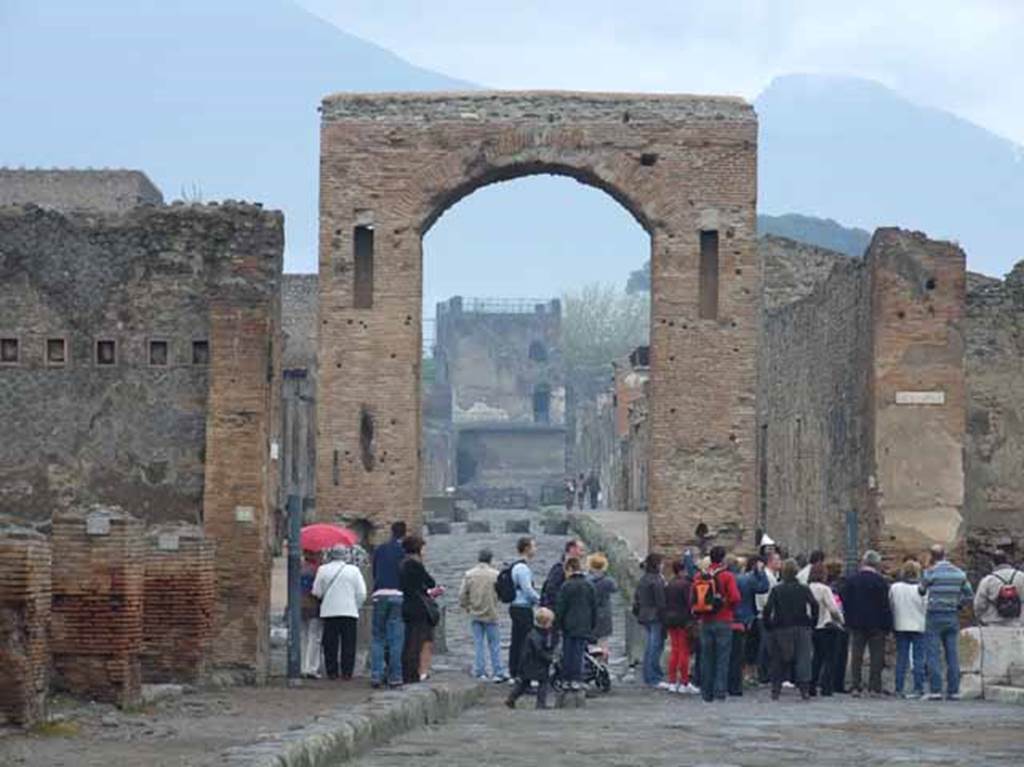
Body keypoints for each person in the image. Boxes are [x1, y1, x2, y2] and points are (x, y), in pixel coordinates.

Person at [919, 544, 973, 700]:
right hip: (951, 615)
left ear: (932, 556)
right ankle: (954, 690)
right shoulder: (959, 574)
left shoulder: (931, 572)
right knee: (952, 654)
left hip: (934, 615)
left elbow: (921, 590)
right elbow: (969, 595)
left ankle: (936, 690)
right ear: (945, 555)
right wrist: (958, 604)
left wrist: (927, 571)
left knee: (933, 654)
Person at [763, 558, 818, 700]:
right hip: (801, 625)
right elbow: (814, 604)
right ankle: (804, 689)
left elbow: (768, 608)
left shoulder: (777, 589)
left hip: (781, 626)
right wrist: (812, 622)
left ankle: (776, 689)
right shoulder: (803, 589)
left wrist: (768, 624)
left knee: (778, 659)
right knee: (803, 658)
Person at [312, 545, 368, 681]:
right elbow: (362, 592)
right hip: (349, 611)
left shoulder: (323, 570)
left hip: (329, 611)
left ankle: (332, 672)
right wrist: (356, 606)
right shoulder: (353, 570)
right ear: (346, 555)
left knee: (330, 643)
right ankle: (347, 672)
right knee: (348, 643)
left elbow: (316, 591)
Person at [840, 550, 892, 697]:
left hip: (857, 622)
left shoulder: (852, 580)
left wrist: (848, 619)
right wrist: (888, 624)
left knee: (857, 655)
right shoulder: (881, 582)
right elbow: (885, 605)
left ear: (863, 562)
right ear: (877, 564)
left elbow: (845, 601)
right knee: (877, 656)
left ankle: (855, 685)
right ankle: (874, 687)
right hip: (877, 623)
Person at [694, 545, 741, 702]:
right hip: (724, 619)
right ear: (722, 558)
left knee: (706, 657)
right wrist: (727, 606)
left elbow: (692, 599)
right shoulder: (727, 576)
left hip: (705, 620)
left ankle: (706, 691)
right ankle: (719, 690)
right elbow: (735, 597)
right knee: (722, 658)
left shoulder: (699, 576)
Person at [459, 547, 508, 682]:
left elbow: (462, 594)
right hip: (491, 613)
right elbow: (502, 593)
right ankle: (498, 671)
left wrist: (467, 606)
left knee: (478, 643)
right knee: (494, 644)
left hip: (475, 613)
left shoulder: (469, 574)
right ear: (490, 559)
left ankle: (480, 671)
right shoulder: (495, 575)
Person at [400, 535, 443, 683]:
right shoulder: (414, 564)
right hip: (417, 607)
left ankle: (410, 671)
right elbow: (429, 582)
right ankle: (413, 673)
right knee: (418, 639)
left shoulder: (402, 563)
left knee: (411, 638)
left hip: (407, 604)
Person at [370, 521, 407, 688]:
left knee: (378, 637)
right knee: (395, 639)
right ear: (404, 533)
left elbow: (374, 571)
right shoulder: (403, 552)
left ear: (391, 532)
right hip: (397, 595)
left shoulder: (380, 549)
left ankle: (376, 675)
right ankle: (395, 676)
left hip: (380, 594)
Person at [555, 556, 597, 690]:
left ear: (570, 569)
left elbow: (561, 607)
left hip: (568, 624)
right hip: (584, 624)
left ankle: (566, 679)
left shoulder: (566, 585)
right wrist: (592, 624)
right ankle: (577, 679)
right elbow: (594, 607)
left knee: (568, 652)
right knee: (579, 653)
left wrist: (558, 623)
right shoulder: (589, 585)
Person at [506, 608, 559, 709]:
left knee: (524, 684)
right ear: (545, 623)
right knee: (543, 683)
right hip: (536, 663)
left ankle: (511, 698)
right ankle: (540, 704)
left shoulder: (534, 633)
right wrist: (550, 658)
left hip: (528, 663)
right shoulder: (537, 636)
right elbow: (539, 651)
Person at [889, 559, 927, 699]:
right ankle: (918, 687)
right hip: (918, 625)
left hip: (900, 624)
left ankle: (899, 688)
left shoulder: (895, 587)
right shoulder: (922, 589)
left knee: (901, 658)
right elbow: (926, 606)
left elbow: (892, 605)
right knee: (918, 658)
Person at [733, 555, 770, 695]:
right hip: (747, 616)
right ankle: (744, 676)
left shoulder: (735, 578)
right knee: (748, 648)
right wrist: (761, 572)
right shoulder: (748, 579)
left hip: (737, 616)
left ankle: (743, 675)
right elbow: (763, 587)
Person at [807, 562, 844, 697]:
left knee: (816, 657)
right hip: (826, 625)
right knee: (829, 658)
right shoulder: (824, 589)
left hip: (813, 626)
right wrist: (841, 620)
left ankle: (811, 684)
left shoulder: (807, 587)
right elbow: (833, 608)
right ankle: (826, 686)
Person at [633, 552, 668, 688]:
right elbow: (660, 601)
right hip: (655, 616)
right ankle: (654, 677)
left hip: (644, 614)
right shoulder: (656, 580)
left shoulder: (644, 579)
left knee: (649, 646)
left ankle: (648, 675)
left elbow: (637, 597)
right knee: (655, 646)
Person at [508, 536, 541, 679]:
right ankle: (522, 672)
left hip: (516, 606)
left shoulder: (517, 566)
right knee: (524, 641)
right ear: (527, 548)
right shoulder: (522, 568)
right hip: (522, 608)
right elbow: (527, 589)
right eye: (534, 546)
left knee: (517, 640)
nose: (536, 549)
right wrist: (541, 600)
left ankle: (514, 671)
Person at [663, 559, 697, 693]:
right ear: (683, 570)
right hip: (683, 620)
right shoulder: (686, 585)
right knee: (684, 651)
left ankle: (671, 681)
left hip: (671, 619)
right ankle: (684, 682)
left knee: (675, 650)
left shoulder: (669, 584)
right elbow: (689, 603)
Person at [973, 550, 1024, 627]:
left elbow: (979, 604)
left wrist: (979, 617)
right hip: (1018, 623)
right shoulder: (1021, 576)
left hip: (994, 623)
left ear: (992, 563)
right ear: (1007, 561)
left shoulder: (988, 580)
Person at [754, 550, 782, 684]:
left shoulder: (772, 576)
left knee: (767, 644)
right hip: (765, 614)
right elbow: (765, 597)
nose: (780, 563)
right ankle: (763, 673)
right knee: (766, 645)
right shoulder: (767, 577)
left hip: (767, 613)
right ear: (770, 562)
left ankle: (765, 673)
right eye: (777, 560)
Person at [825, 560, 850, 693]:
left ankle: (825, 681)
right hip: (840, 622)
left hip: (825, 623)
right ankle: (837, 684)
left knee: (826, 655)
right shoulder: (843, 585)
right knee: (840, 655)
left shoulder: (826, 585)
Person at [586, 553, 618, 657]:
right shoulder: (607, 581)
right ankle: (603, 666)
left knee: (589, 643)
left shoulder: (587, 580)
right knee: (603, 643)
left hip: (589, 613)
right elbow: (615, 588)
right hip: (604, 614)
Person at [300, 550, 325, 679]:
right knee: (315, 637)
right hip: (314, 606)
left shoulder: (298, 568)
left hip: (299, 605)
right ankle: (312, 667)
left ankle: (302, 666)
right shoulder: (318, 570)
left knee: (303, 636)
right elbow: (318, 591)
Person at [541, 539, 585, 609]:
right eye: (581, 550)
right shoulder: (559, 568)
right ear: (572, 549)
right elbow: (551, 590)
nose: (583, 554)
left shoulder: (580, 570)